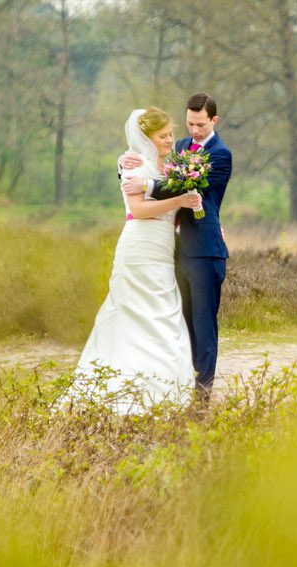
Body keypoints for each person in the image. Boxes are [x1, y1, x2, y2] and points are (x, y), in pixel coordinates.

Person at [56, 107, 202, 414]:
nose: (169, 140)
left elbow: (179, 206)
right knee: (131, 314)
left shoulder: (176, 165)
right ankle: (125, 387)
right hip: (138, 247)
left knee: (165, 315)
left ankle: (165, 389)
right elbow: (138, 210)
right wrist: (180, 200)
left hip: (163, 250)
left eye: (171, 135)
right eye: (162, 136)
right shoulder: (134, 165)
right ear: (146, 137)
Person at [122, 91, 232, 401]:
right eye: (189, 124)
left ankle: (202, 397)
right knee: (181, 323)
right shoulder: (181, 147)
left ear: (213, 120)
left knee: (203, 324)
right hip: (175, 249)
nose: (193, 131)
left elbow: (188, 185)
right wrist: (125, 161)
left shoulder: (222, 154)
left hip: (205, 249)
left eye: (200, 125)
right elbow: (152, 160)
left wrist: (148, 185)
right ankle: (183, 388)